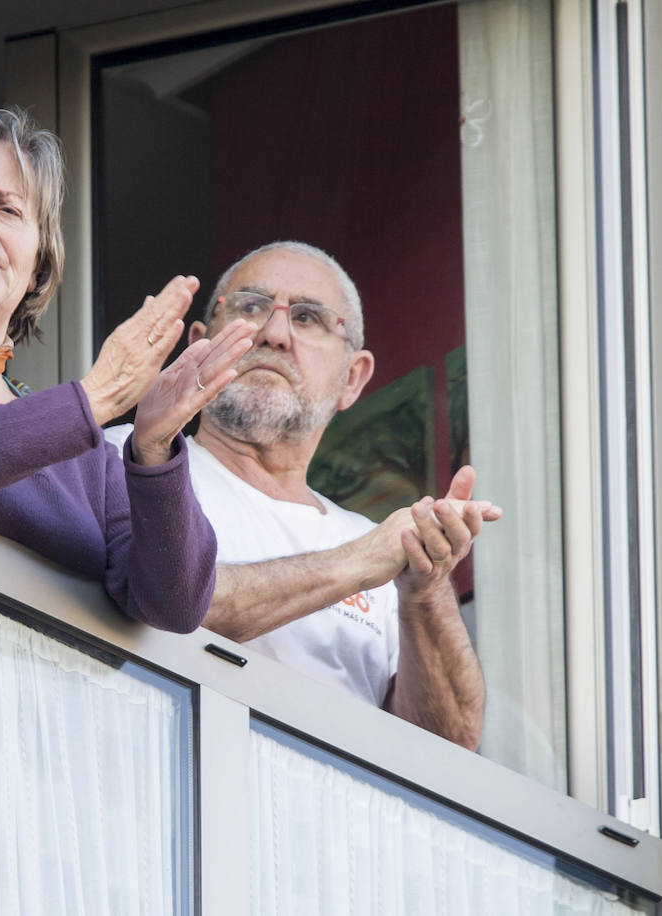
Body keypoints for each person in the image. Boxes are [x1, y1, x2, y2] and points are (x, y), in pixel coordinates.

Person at [0, 109, 252, 633]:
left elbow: (174, 605)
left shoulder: (86, 454)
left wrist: (154, 449)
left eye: (8, 210)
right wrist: (98, 398)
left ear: (37, 264)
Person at [106, 241, 501, 748]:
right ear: (198, 345)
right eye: (250, 307)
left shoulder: (376, 544)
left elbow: (451, 744)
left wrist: (425, 588)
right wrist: (360, 562)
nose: (274, 334)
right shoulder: (127, 460)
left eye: (309, 318)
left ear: (352, 380)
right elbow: (173, 609)